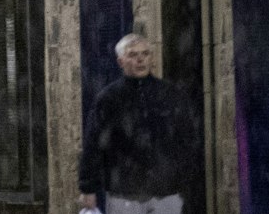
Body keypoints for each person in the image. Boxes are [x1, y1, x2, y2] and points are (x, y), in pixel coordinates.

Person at [78, 33, 199, 214]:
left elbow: (186, 139)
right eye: (133, 55)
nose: (140, 60)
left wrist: (186, 180)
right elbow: (93, 144)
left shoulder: (170, 95)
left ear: (152, 58)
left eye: (145, 54)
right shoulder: (109, 99)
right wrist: (88, 187)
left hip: (165, 190)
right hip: (125, 192)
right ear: (121, 61)